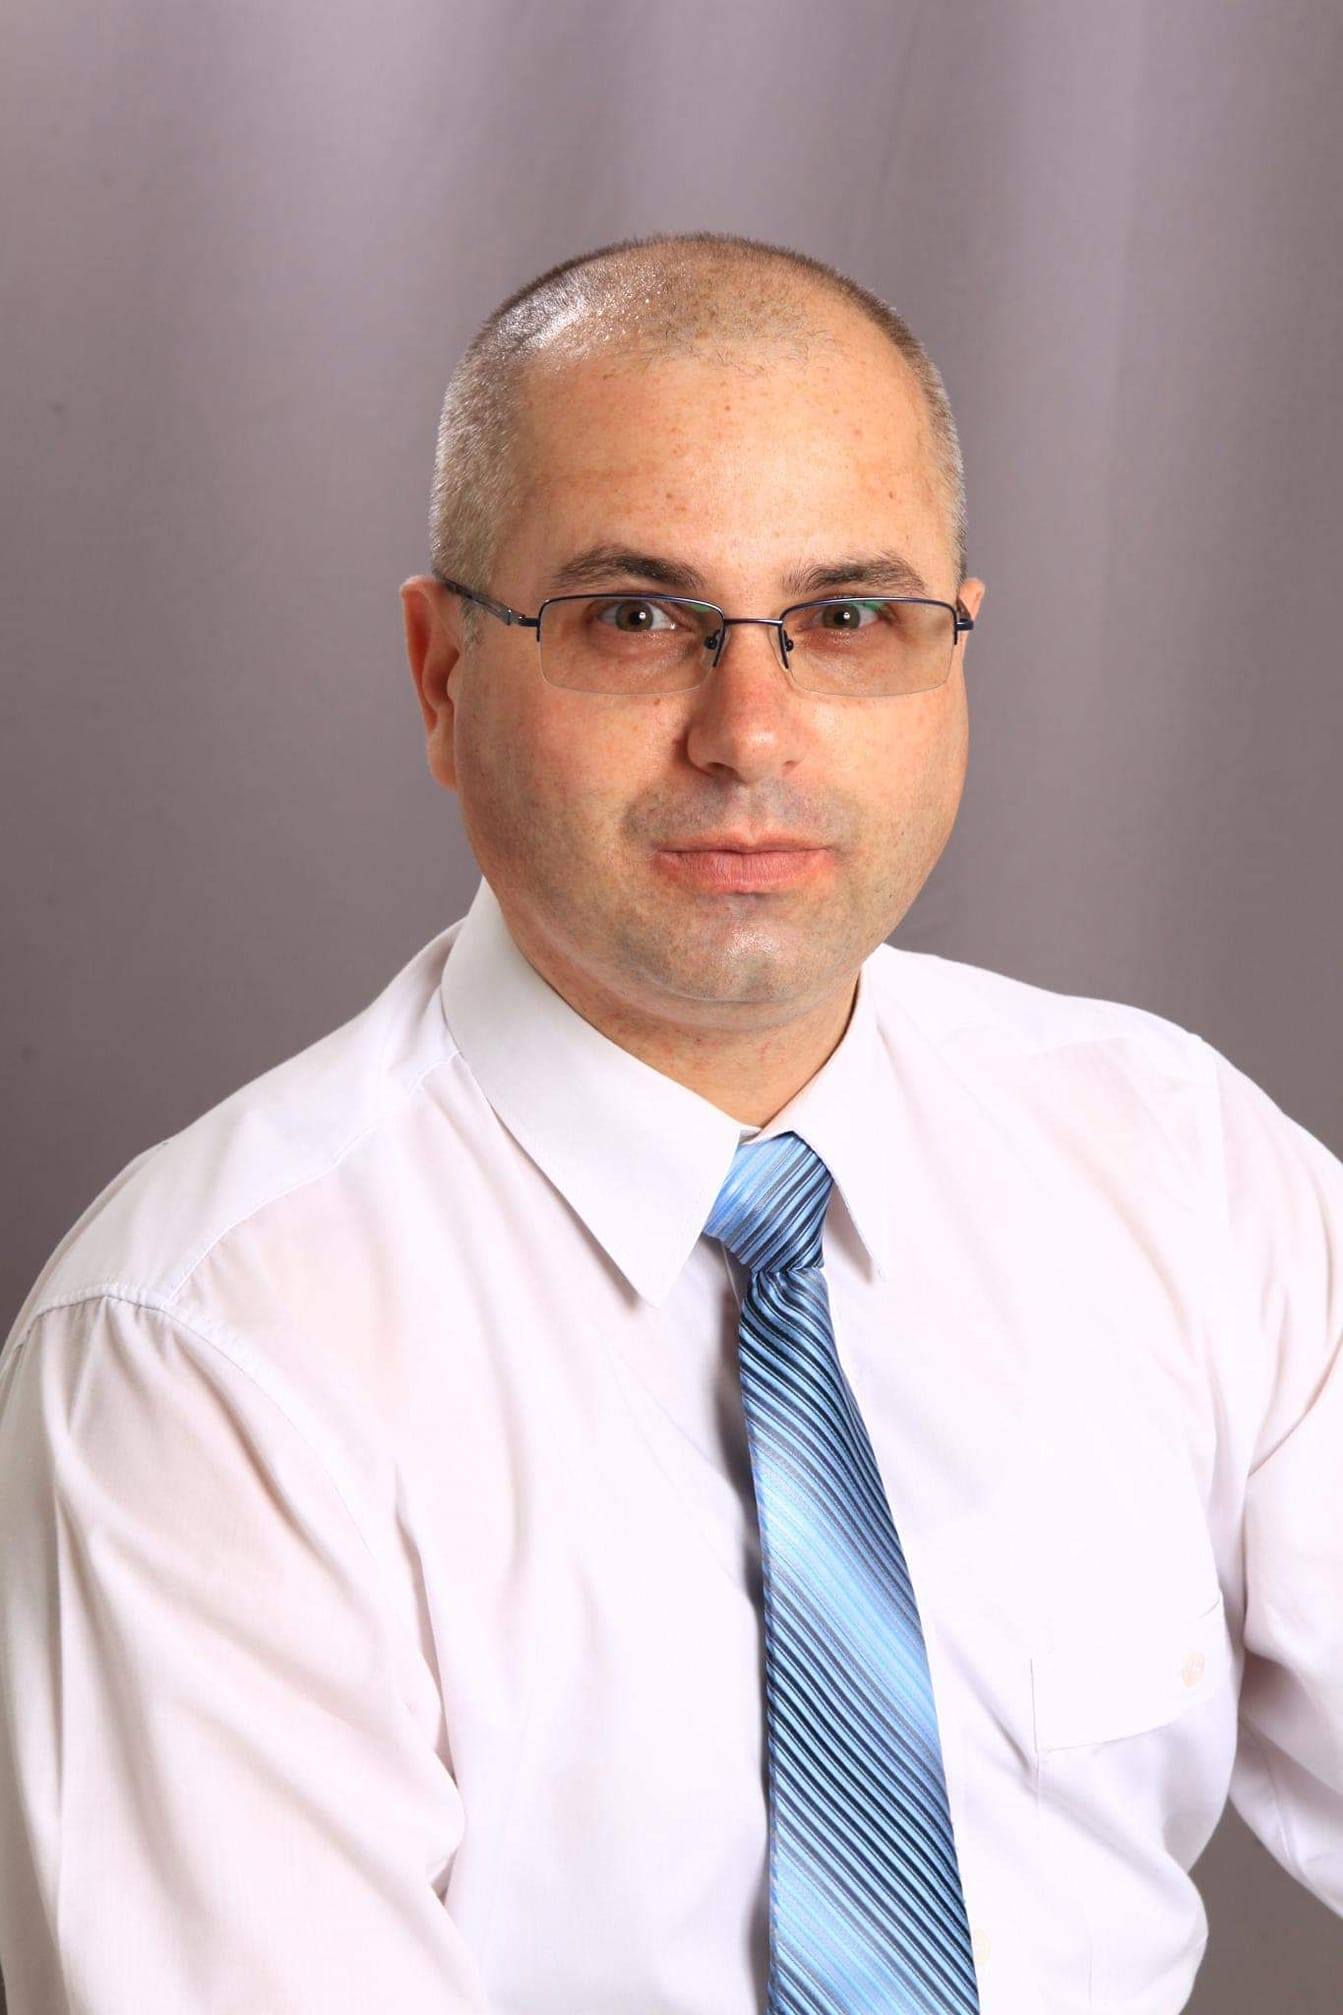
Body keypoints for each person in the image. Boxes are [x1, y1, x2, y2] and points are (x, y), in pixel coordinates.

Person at [0, 229, 1339, 2014]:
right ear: (442, 675)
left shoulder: (1181, 1166)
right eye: (636, 618)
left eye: (848, 618)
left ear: (955, 651)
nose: (751, 731)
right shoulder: (203, 1352)